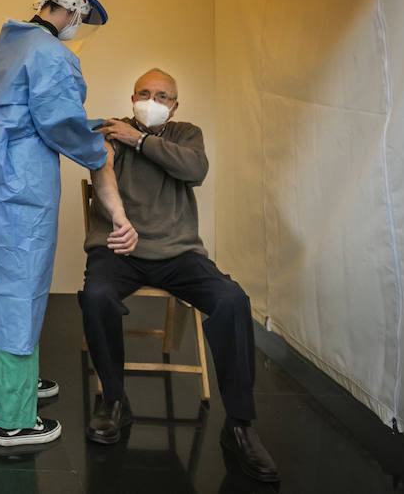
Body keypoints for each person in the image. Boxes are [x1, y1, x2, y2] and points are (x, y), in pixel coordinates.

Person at [0, 0, 137, 448]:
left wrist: (94, 123)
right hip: (19, 187)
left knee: (7, 286)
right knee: (21, 289)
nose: (82, 24)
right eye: (83, 16)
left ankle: (22, 377)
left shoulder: (14, 41)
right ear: (71, 10)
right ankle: (13, 420)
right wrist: (99, 150)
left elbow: (22, 108)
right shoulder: (53, 54)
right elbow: (58, 121)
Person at [87, 69, 278, 483]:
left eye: (162, 96)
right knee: (95, 295)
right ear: (131, 95)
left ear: (174, 106)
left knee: (232, 301)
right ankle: (114, 400)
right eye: (144, 93)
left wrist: (139, 140)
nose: (151, 100)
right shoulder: (109, 132)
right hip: (119, 248)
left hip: (178, 253)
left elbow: (195, 171)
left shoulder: (185, 134)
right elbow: (100, 174)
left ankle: (240, 425)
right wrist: (119, 217)